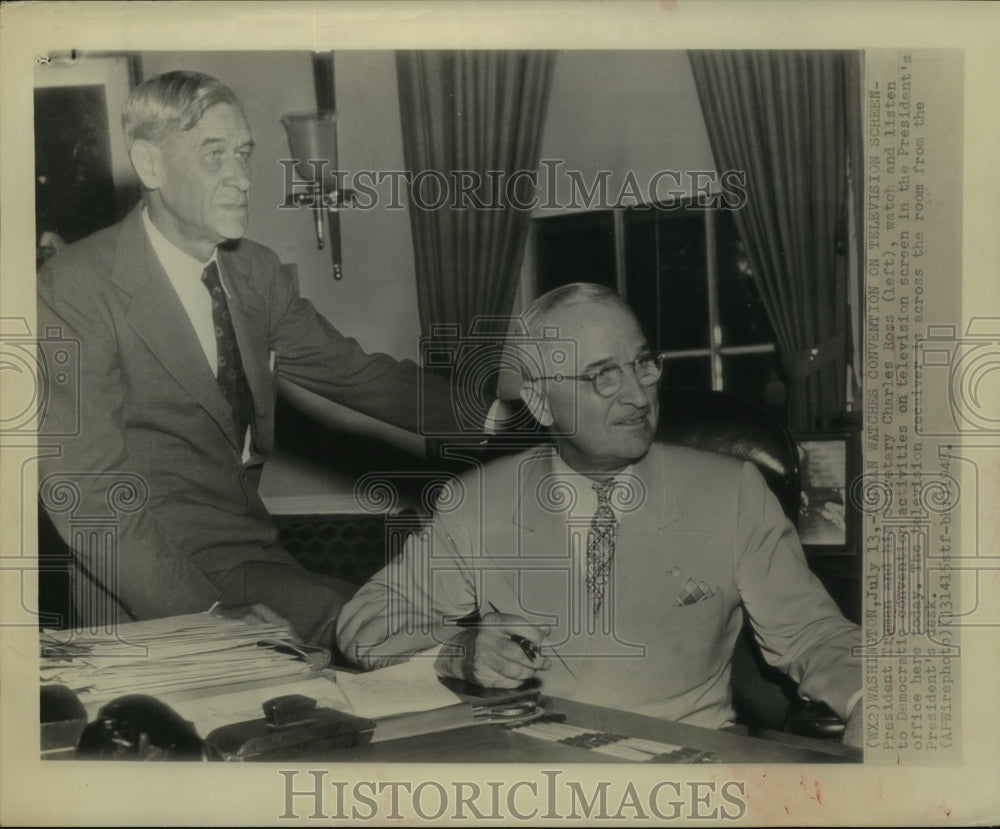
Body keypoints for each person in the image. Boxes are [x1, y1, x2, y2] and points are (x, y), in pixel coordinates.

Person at [336, 283, 863, 746]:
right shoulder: (476, 503)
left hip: (682, 773)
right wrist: (457, 648)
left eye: (642, 364)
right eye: (603, 376)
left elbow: (813, 633)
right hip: (531, 779)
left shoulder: (731, 491)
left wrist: (868, 700)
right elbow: (367, 625)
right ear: (541, 403)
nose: (638, 394)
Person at [36, 70, 458, 646]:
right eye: (214, 157)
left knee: (407, 633)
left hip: (251, 560)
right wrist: (205, 617)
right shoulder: (75, 286)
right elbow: (87, 499)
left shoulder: (253, 272)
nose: (240, 178)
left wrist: (496, 419)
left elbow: (355, 373)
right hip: (140, 590)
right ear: (151, 165)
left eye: (243, 154)